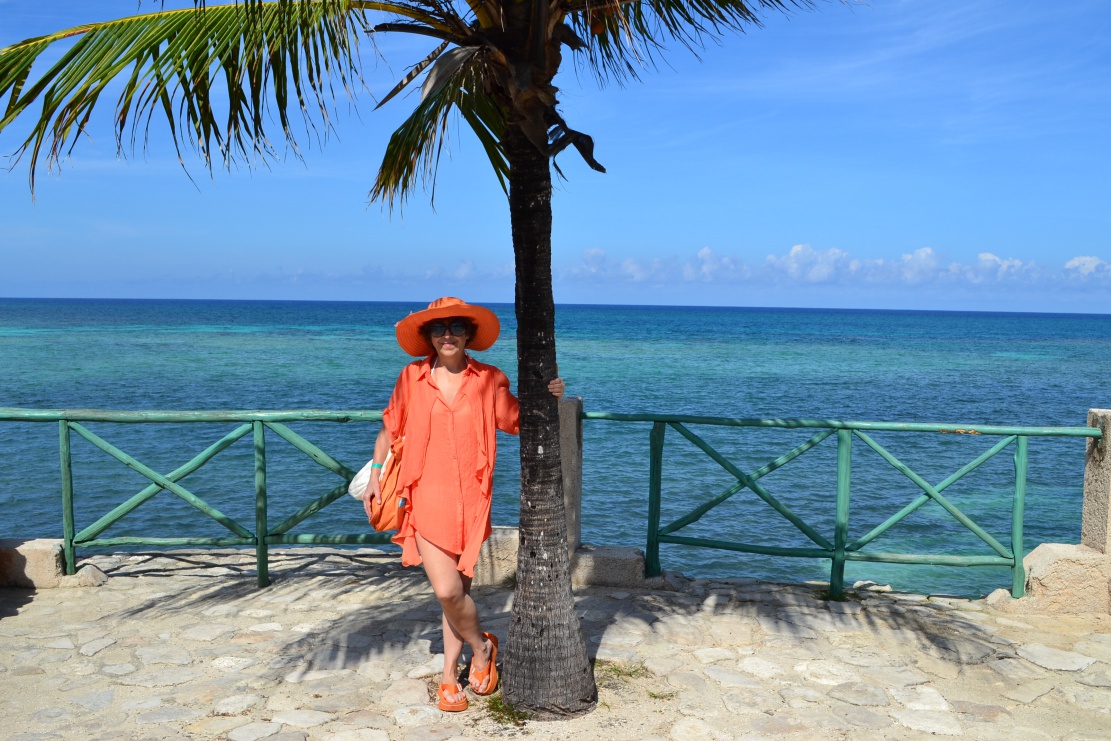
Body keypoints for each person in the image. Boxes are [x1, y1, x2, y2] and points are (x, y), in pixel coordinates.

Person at [364, 297, 565, 712]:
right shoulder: (412, 377)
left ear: (468, 334)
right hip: (424, 497)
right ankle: (482, 647)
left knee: (457, 593)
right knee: (446, 591)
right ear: (428, 337)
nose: (447, 335)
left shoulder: (489, 379)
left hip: (471, 501)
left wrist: (550, 396)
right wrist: (375, 473)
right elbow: (390, 427)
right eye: (438, 329)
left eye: (456, 327)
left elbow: (517, 420)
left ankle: (447, 674)